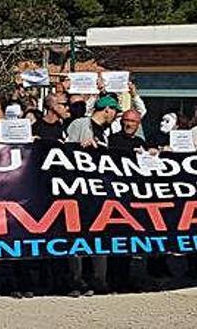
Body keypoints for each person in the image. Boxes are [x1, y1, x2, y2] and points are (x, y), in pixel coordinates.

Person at [64, 95, 120, 296]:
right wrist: (81, 148)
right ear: (108, 110)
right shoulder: (80, 124)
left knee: (100, 236)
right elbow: (64, 153)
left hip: (99, 192)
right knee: (77, 237)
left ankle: (99, 280)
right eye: (115, 111)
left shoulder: (107, 132)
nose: (115, 116)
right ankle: (76, 281)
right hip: (78, 191)